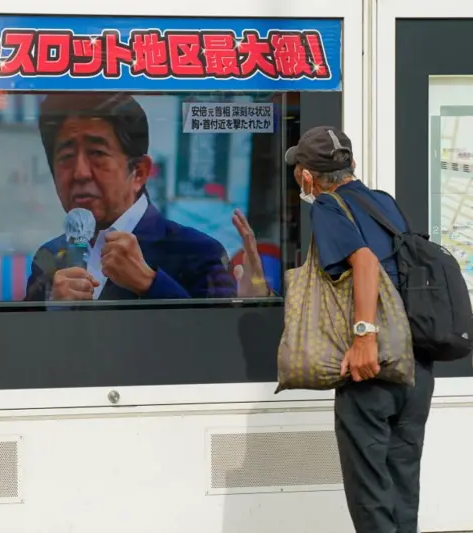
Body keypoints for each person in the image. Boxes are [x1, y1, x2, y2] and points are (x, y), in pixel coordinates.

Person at [286, 126, 434, 533]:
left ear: (309, 176)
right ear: (351, 163)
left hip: (374, 369)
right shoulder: (384, 203)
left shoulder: (329, 206)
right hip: (415, 367)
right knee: (403, 491)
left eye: (299, 170)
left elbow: (365, 262)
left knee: (371, 498)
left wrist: (363, 337)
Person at [25, 92, 268, 302]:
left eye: (97, 153)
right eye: (66, 156)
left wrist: (150, 283)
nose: (80, 173)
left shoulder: (199, 252)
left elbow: (219, 341)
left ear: (139, 172)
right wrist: (50, 310)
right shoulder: (48, 258)